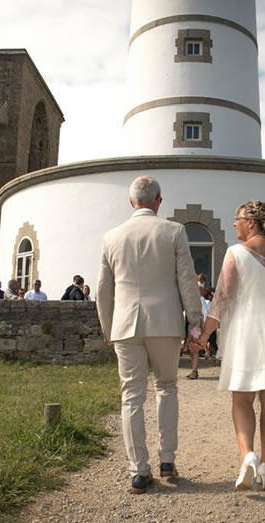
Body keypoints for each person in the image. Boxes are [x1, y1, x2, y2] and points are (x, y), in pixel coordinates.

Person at [192, 200, 265, 491]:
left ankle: (247, 455)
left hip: (247, 328)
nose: (234, 224)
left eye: (237, 219)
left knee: (242, 399)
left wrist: (204, 335)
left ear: (251, 222)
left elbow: (222, 299)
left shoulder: (235, 254)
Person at [96, 175, 203, 494]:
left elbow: (103, 290)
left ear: (131, 202)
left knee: (131, 395)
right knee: (167, 387)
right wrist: (194, 325)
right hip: (165, 322)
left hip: (125, 324)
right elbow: (187, 281)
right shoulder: (174, 231)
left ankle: (138, 470)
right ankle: (167, 459)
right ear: (158, 201)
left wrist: (108, 328)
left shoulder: (111, 237)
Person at [187, 273, 213, 380]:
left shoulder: (198, 296)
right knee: (193, 347)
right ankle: (194, 370)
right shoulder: (203, 295)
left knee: (193, 347)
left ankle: (194, 371)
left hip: (196, 324)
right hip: (199, 324)